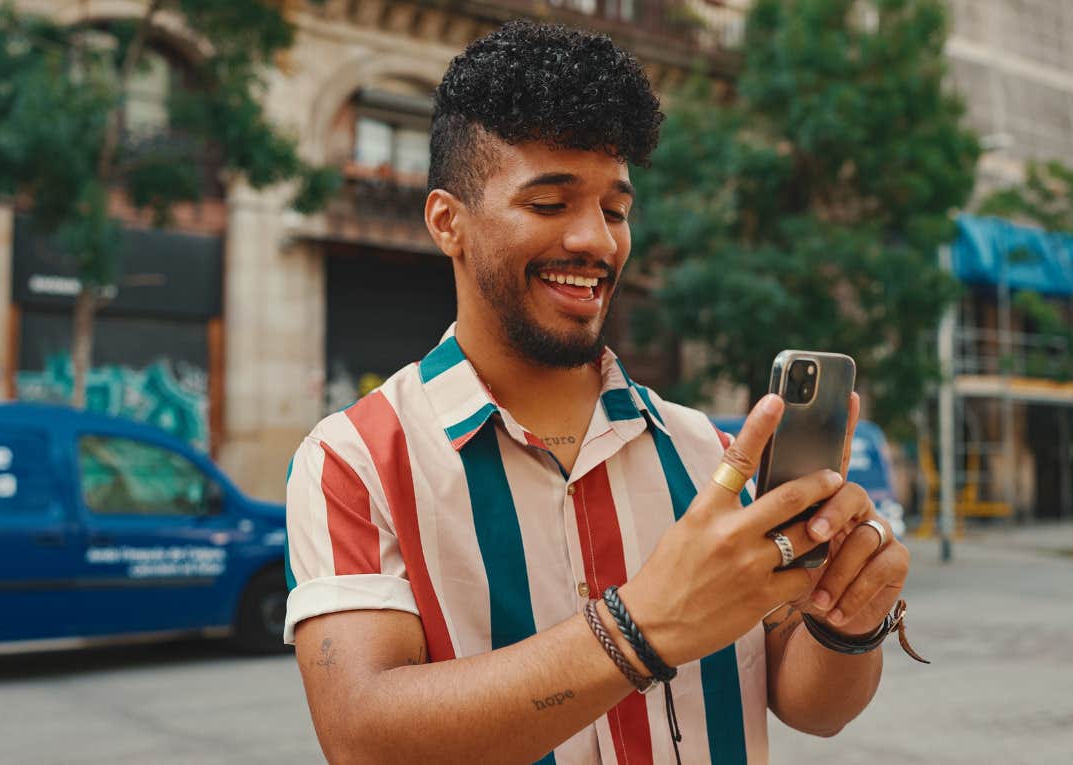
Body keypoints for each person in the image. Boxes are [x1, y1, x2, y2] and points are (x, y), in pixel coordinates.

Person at [284, 20, 915, 764]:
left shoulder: (710, 456)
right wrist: (643, 625)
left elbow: (813, 706)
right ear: (448, 223)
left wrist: (848, 622)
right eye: (550, 204)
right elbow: (362, 733)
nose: (597, 241)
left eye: (615, 211)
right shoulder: (353, 462)